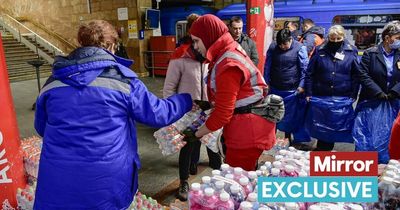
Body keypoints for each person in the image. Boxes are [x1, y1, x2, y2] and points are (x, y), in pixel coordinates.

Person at [33, 20, 192, 209]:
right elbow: (159, 114)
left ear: (81, 43)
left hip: (58, 178)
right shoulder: (124, 82)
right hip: (106, 180)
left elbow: (41, 127)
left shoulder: (52, 82)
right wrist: (186, 100)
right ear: (110, 45)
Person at [188, 14, 276, 171]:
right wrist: (213, 103)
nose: (194, 46)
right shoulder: (226, 52)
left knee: (239, 179)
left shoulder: (228, 63)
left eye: (196, 40)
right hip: (247, 125)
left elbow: (223, 114)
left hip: (246, 131)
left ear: (208, 37)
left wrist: (195, 134)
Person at [163, 13, 221, 201]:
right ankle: (183, 181)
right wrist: (174, 114)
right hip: (188, 111)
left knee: (214, 145)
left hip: (209, 109)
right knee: (187, 146)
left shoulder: (209, 54)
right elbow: (169, 89)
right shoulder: (180, 56)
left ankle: (219, 176)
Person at [304, 25, 359, 151]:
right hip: (321, 94)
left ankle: (326, 149)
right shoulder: (319, 50)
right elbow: (310, 73)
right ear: (328, 38)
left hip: (341, 95)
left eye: (338, 38)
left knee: (335, 125)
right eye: (332, 39)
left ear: (343, 37)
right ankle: (322, 150)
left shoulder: (351, 51)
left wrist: (353, 94)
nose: (335, 41)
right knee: (321, 126)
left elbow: (356, 75)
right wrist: (309, 92)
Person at [354, 21, 400, 163]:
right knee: (366, 136)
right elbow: (363, 75)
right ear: (387, 38)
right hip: (370, 101)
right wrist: (378, 92)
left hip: (393, 101)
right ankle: (364, 165)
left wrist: (394, 91)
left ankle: (385, 167)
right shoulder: (371, 53)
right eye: (398, 37)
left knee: (388, 136)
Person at [264, 28, 309, 143]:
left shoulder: (300, 48)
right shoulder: (273, 47)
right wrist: (266, 82)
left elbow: (305, 69)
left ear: (291, 39)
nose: (282, 47)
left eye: (285, 44)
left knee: (292, 116)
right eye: (280, 44)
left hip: (293, 89)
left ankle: (292, 139)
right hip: (275, 87)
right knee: (273, 114)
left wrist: (302, 85)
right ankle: (271, 139)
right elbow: (267, 66)